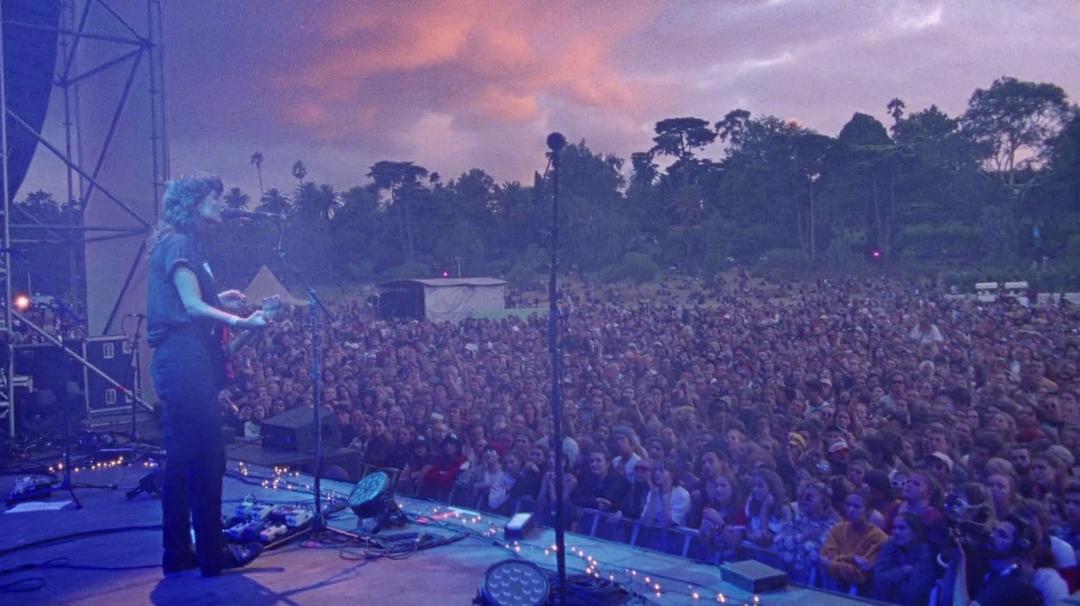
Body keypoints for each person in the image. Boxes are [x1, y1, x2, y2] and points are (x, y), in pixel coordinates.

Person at [147, 173, 268, 576]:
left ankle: (178, 553)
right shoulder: (180, 243)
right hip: (184, 361)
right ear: (193, 203)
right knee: (207, 458)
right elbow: (191, 306)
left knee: (182, 460)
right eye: (214, 198)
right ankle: (212, 554)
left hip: (181, 360)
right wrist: (239, 320)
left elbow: (193, 301)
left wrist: (222, 298)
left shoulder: (182, 244)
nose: (220, 204)